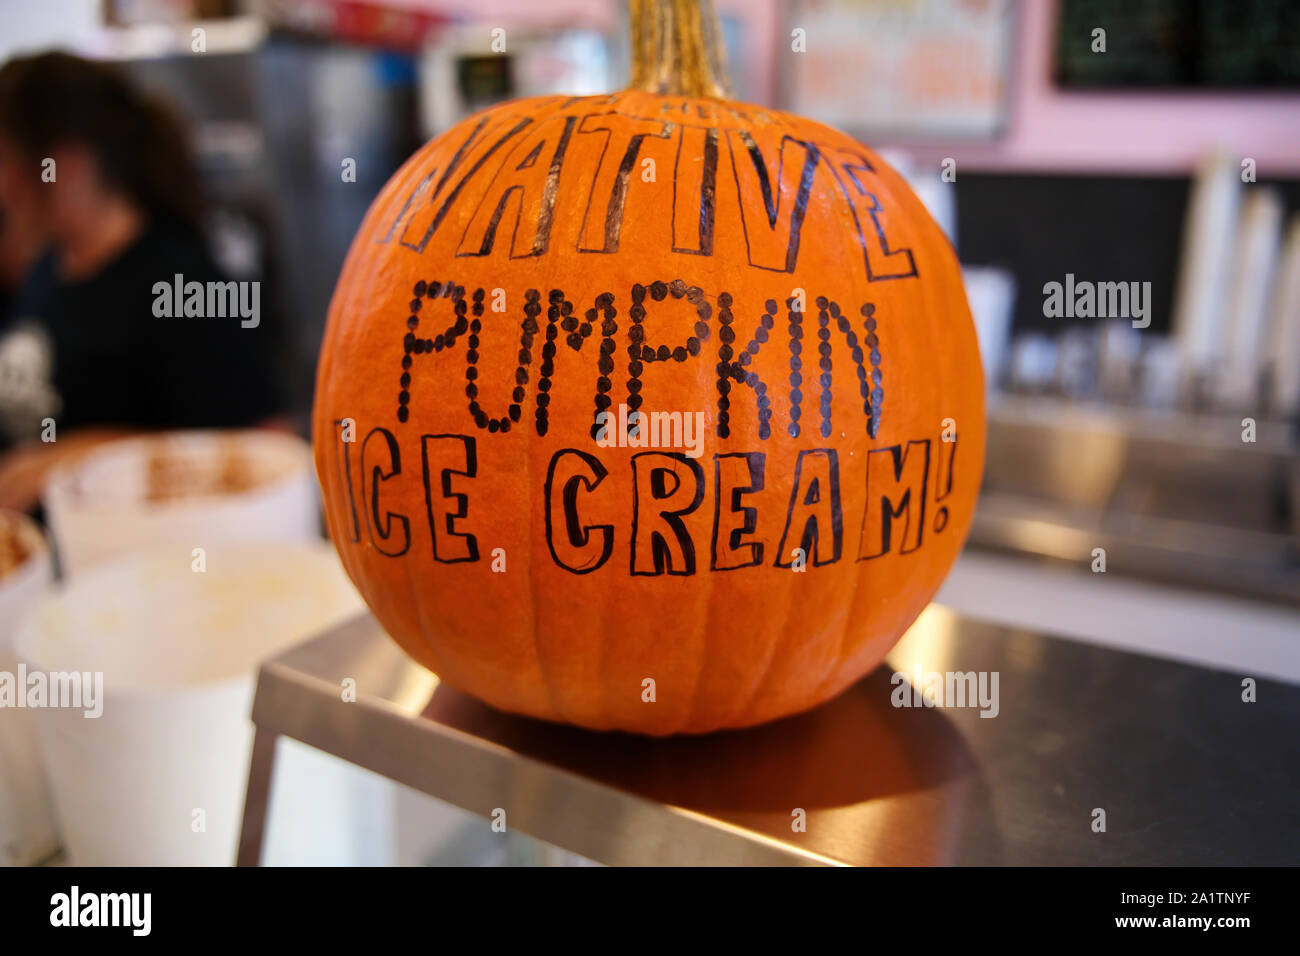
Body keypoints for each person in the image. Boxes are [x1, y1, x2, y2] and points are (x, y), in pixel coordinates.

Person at [0, 51, 286, 511]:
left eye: (6, 161)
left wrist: (76, 455)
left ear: (65, 163)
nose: (2, 186)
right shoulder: (46, 270)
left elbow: (262, 446)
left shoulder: (188, 283)